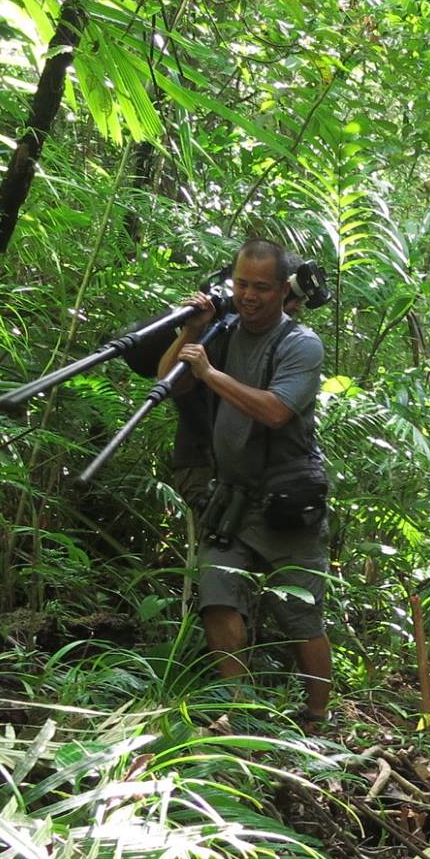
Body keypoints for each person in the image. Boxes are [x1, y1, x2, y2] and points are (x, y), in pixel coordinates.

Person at [161, 239, 333, 726]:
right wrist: (191, 332)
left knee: (300, 616)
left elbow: (276, 410)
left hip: (289, 501)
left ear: (284, 291)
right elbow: (169, 381)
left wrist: (210, 373)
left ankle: (318, 718)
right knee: (216, 596)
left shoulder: (300, 343)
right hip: (230, 500)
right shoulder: (222, 330)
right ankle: (236, 710)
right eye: (241, 284)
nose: (248, 295)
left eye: (261, 287)